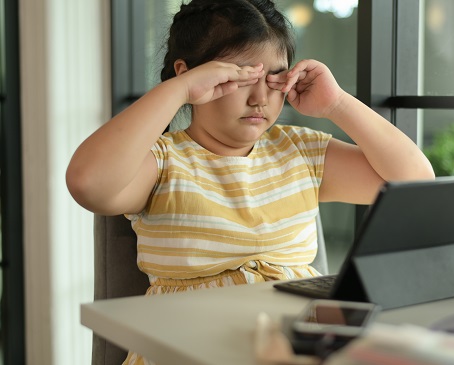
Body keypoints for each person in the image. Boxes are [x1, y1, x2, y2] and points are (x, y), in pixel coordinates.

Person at [67, 0, 434, 363]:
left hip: (295, 344)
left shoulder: (299, 150)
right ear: (189, 74)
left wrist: (336, 103)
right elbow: (88, 182)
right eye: (237, 77)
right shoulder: (163, 162)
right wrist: (178, 91)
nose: (260, 98)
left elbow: (415, 183)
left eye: (274, 78)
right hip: (190, 346)